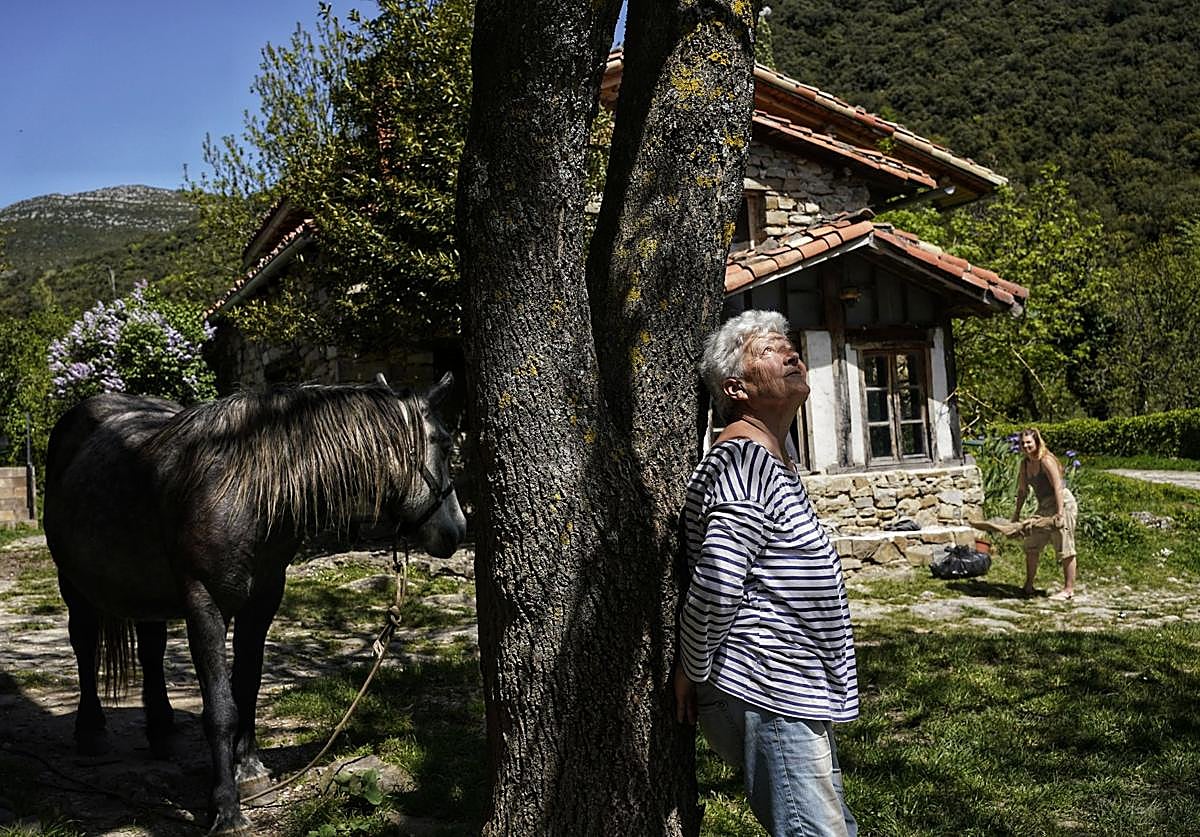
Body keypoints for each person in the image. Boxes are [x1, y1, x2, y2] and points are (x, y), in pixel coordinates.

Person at [674, 310, 859, 837]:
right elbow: (716, 581)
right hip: (768, 684)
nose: (791, 353)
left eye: (790, 344)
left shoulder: (776, 457)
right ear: (736, 387)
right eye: (769, 349)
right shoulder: (743, 460)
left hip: (793, 686)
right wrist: (690, 667)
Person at [1011, 427, 1078, 599]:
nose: (1026, 446)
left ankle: (1068, 590)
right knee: (1031, 544)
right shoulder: (1025, 464)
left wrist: (1060, 513)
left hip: (1062, 502)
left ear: (1036, 442)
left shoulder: (1046, 460)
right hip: (1044, 506)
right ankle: (1028, 585)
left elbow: (1058, 486)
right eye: (1023, 443)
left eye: (1029, 443)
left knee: (1064, 545)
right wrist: (1016, 515)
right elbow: (1022, 491)